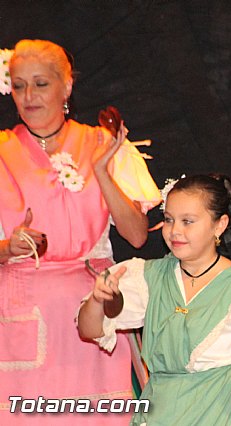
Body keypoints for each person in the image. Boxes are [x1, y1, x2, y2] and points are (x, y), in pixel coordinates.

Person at [0, 39, 161, 424]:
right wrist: (8, 247)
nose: (28, 96)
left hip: (94, 309)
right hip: (21, 311)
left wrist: (103, 170)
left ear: (66, 86)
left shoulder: (104, 143)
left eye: (40, 84)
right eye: (19, 85)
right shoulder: (2, 151)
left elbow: (137, 236)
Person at [77, 173, 231, 425]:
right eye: (169, 220)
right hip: (164, 409)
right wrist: (98, 301)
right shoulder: (148, 277)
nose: (175, 231)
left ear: (219, 225)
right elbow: (88, 329)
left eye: (188, 221)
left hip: (225, 406)